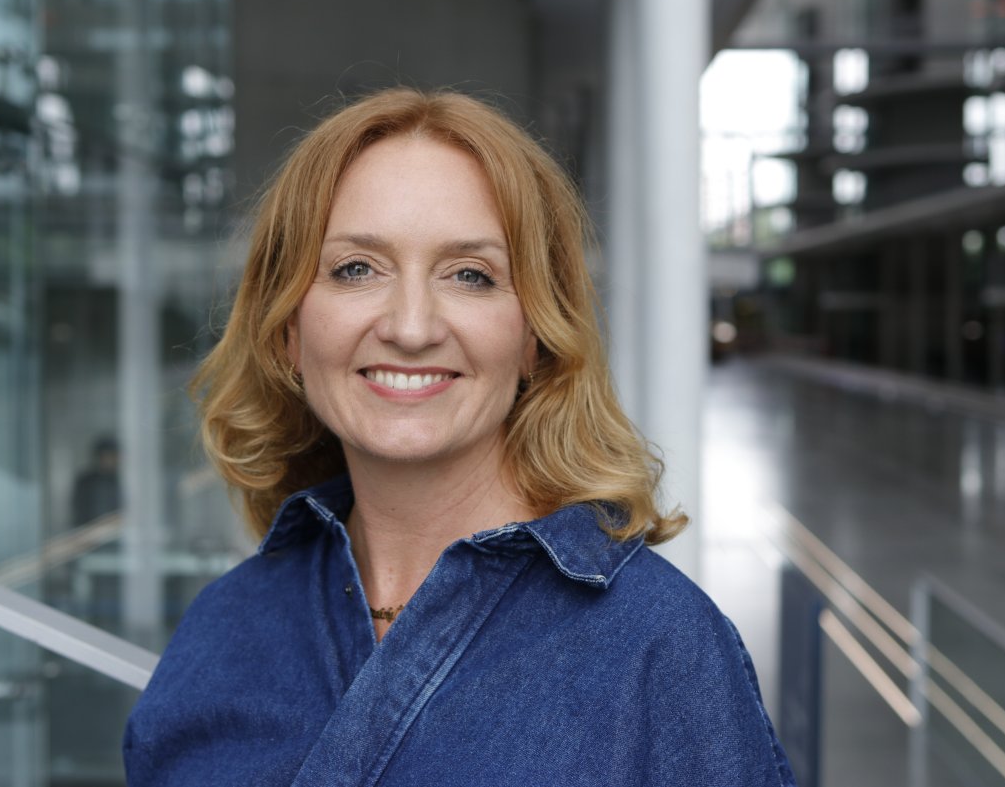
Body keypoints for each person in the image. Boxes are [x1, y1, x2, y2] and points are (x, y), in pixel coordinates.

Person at [123, 88, 796, 787]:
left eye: (470, 276)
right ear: (289, 328)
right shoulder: (222, 629)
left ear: (534, 335)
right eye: (357, 269)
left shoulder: (660, 647)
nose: (411, 327)